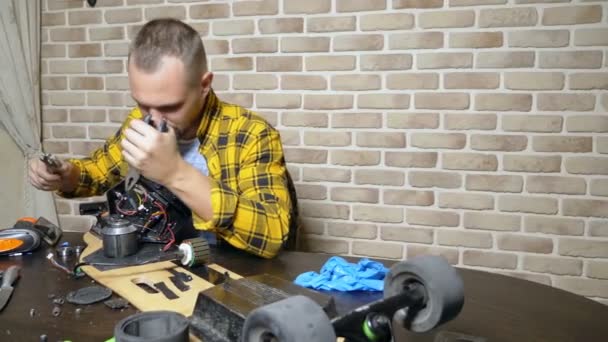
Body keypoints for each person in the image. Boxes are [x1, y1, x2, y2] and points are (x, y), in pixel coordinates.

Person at [28, 18, 296, 259]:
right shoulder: (142, 119)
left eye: (170, 107)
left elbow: (272, 234)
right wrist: (66, 174)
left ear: (204, 85)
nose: (154, 119)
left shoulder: (251, 133)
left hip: (228, 270)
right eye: (143, 104)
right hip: (158, 262)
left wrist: (175, 173)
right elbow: (99, 172)